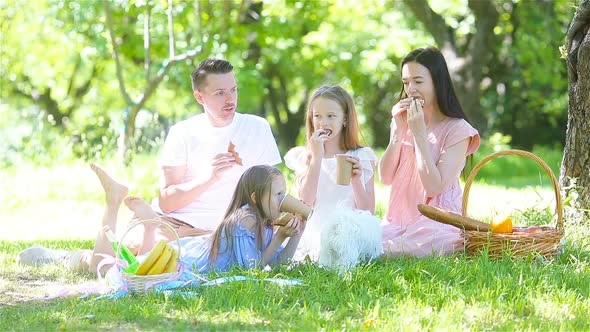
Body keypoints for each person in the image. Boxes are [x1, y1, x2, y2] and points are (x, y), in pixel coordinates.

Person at [18, 164, 304, 274]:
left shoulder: (262, 223)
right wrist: (280, 237)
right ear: (254, 197)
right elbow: (254, 269)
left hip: (179, 254)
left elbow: (278, 262)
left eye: (284, 193)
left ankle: (60, 256)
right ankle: (113, 205)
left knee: (111, 263)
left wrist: (297, 232)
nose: (283, 200)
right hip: (179, 262)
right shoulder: (246, 221)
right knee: (107, 270)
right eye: (278, 194)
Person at [153, 57, 282, 238]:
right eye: (220, 93)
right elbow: (166, 202)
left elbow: (273, 192)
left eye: (233, 90)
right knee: (133, 248)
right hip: (179, 222)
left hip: (236, 228)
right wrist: (210, 178)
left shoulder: (257, 127)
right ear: (199, 97)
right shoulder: (182, 133)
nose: (230, 99)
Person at [379, 47, 480, 257]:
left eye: (418, 81)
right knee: (375, 236)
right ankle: (382, 248)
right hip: (398, 221)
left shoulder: (458, 130)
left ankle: (382, 251)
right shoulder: (407, 120)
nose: (411, 89)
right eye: (406, 82)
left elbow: (434, 186)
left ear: (437, 81)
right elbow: (385, 177)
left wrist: (419, 135)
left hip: (438, 223)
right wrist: (397, 133)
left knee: (435, 241)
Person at [284, 85, 381, 266]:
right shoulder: (307, 158)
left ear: (345, 119)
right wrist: (317, 158)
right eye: (317, 116)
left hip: (350, 234)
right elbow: (305, 205)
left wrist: (357, 181)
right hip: (316, 232)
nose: (323, 123)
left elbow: (368, 212)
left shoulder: (361, 156)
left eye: (331, 116)